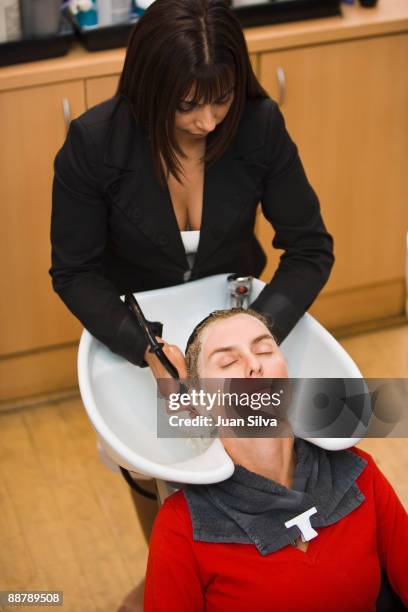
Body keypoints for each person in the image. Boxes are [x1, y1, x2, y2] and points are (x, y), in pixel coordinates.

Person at [49, 0, 333, 607]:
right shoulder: (93, 145)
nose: (207, 120)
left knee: (266, 453)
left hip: (234, 316)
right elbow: (74, 273)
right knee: (159, 471)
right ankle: (171, 579)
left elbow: (310, 248)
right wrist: (144, 348)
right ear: (150, 88)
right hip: (140, 333)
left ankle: (251, 580)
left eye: (221, 98)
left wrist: (255, 332)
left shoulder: (258, 125)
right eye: (186, 104)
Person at [144, 309, 408, 611]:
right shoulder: (181, 527)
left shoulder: (357, 473)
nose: (254, 365)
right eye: (228, 361)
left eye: (265, 350)